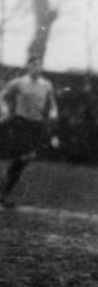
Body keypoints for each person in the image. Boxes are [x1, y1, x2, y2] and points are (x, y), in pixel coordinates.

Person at [0, 56, 58, 209]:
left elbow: (52, 103)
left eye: (39, 66)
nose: (36, 69)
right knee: (23, 156)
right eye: (33, 65)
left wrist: (53, 113)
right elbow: (3, 97)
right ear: (28, 67)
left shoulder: (46, 85)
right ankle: (3, 194)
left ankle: (3, 194)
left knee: (25, 158)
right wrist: (5, 110)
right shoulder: (18, 83)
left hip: (36, 125)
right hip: (19, 122)